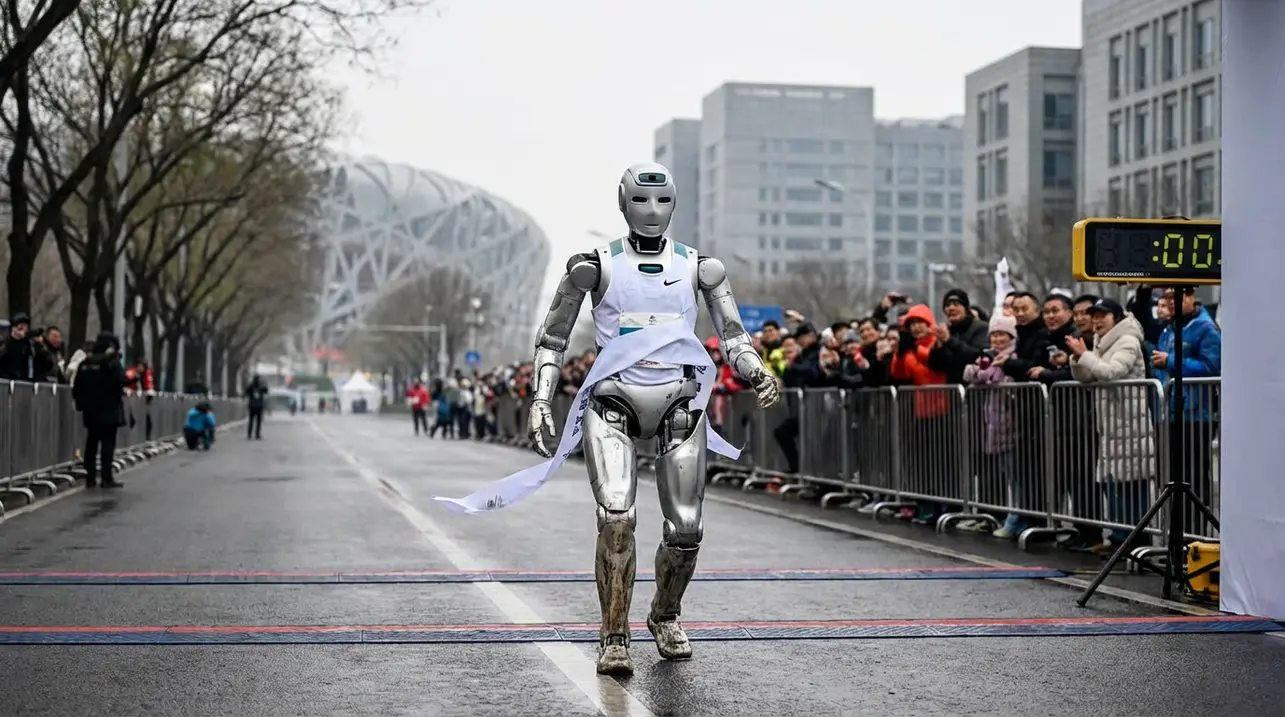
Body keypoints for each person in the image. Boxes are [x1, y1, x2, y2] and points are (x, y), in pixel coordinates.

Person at [435, 163, 780, 676]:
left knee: (686, 528)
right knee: (616, 516)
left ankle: (665, 613)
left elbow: (734, 337)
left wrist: (756, 370)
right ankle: (613, 632)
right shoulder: (592, 266)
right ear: (623, 203)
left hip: (679, 401)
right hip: (613, 401)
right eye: (641, 200)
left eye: (662, 201)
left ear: (674, 204)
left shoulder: (700, 267)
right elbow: (551, 339)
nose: (651, 211)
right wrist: (540, 397)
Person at [72, 332, 128, 489]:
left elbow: (77, 386)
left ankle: (90, 477)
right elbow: (121, 380)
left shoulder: (85, 363)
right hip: (109, 409)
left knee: (91, 443)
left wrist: (80, 404)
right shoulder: (111, 362)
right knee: (107, 445)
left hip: (91, 410)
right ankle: (106, 478)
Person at [244, 375, 268, 439]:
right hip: (259, 406)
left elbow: (246, 392)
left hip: (252, 406)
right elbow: (266, 391)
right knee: (258, 421)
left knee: (251, 420)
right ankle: (257, 434)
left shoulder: (251, 386)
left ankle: (249, 434)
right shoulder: (261, 386)